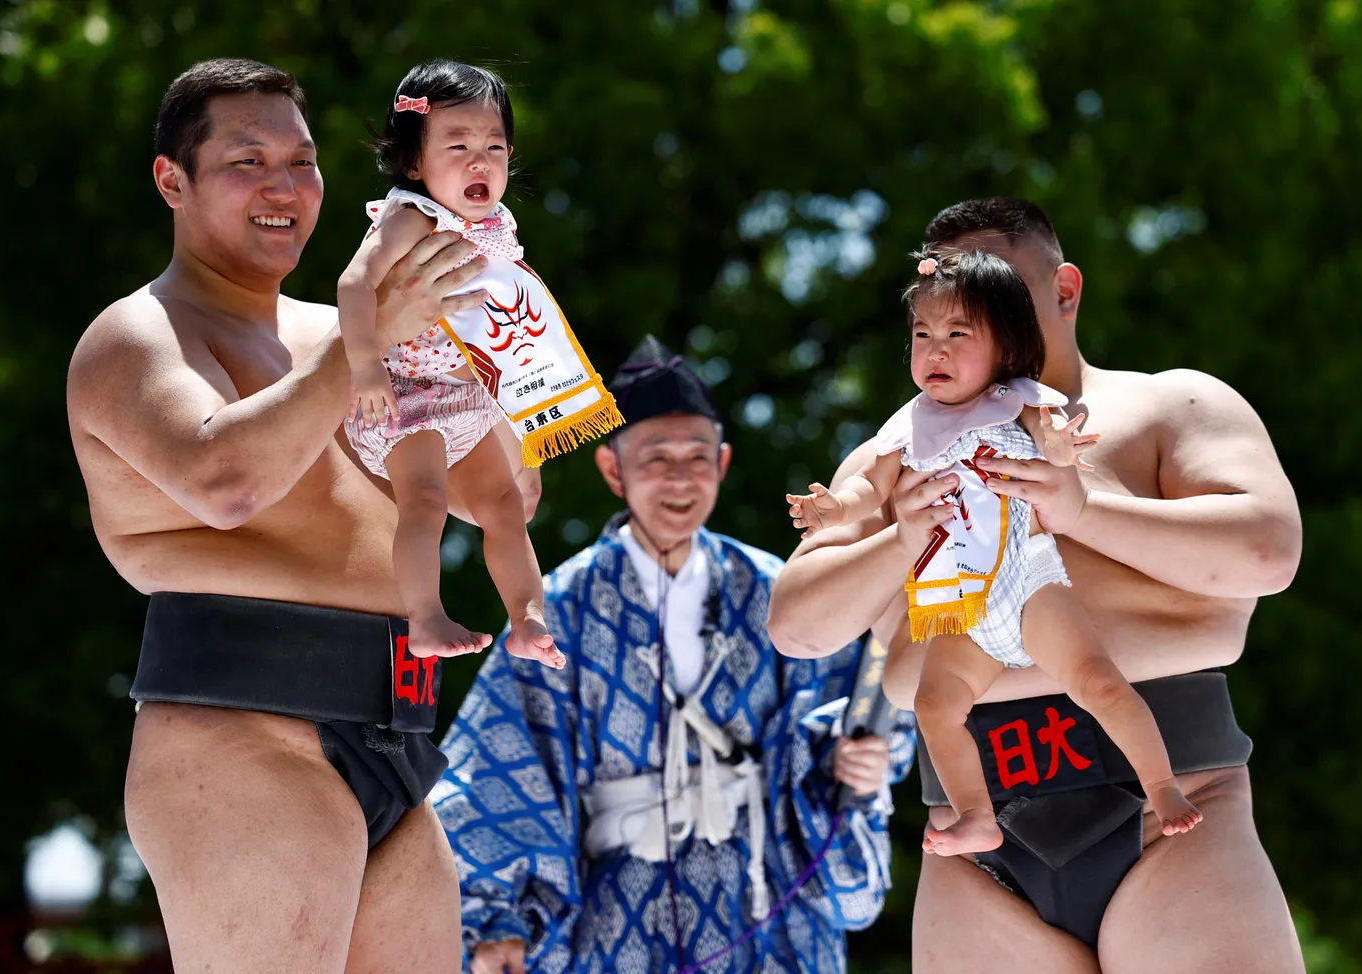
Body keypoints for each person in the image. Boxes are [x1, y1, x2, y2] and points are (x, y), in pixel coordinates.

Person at [768, 198, 1304, 970]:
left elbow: (1268, 554)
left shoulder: (1167, 405)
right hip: (974, 838)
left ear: (1064, 291)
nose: (972, 315)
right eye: (947, 306)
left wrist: (1080, 509)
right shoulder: (900, 450)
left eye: (996, 292)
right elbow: (798, 628)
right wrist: (900, 538)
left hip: (1172, 809)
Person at [66, 58, 514, 973]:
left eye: (302, 162)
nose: (285, 187)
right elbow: (224, 481)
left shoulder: (350, 329)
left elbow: (495, 498)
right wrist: (366, 347)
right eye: (248, 161)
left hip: (400, 735)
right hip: (242, 730)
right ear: (172, 181)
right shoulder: (136, 335)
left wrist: (488, 344)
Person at [433, 336, 915, 974]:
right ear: (613, 470)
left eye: (697, 456)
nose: (681, 477)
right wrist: (497, 918)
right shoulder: (559, 606)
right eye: (656, 457)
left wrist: (857, 753)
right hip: (619, 912)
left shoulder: (779, 590)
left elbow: (869, 706)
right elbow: (501, 763)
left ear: (722, 462)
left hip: (765, 898)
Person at [786, 247, 1200, 860]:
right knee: (934, 706)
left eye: (958, 333)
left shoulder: (1020, 400)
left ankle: (1162, 787)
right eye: (923, 335)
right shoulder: (905, 427)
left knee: (1097, 682)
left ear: (1005, 348)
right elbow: (867, 487)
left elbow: (1055, 444)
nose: (937, 350)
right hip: (959, 599)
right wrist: (835, 511)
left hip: (1026, 578)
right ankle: (977, 815)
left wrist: (1059, 446)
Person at [339, 59, 620, 662]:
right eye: (458, 144)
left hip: (468, 396)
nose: (479, 161)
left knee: (505, 505)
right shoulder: (408, 217)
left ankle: (527, 617)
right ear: (414, 162)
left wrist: (525, 414)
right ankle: (425, 615)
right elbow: (353, 284)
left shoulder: (497, 224)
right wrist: (363, 367)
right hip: (401, 392)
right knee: (426, 502)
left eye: (495, 146)